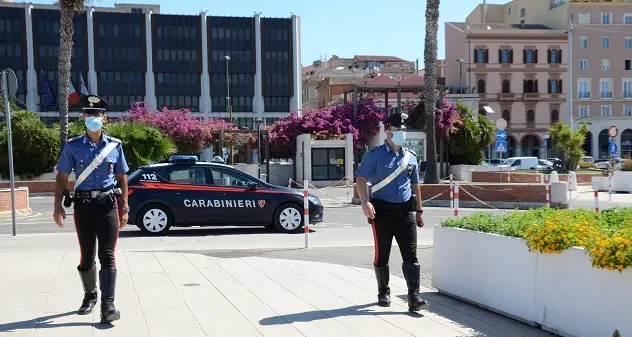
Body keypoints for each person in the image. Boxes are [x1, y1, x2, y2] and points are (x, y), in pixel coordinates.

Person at [52, 94, 130, 323]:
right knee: (87, 256)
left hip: (108, 206)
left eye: (97, 114)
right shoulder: (73, 146)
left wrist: (124, 206)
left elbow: (122, 177)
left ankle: (108, 305)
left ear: (104, 118)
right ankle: (90, 296)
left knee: (108, 255)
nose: (93, 117)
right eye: (89, 113)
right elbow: (62, 178)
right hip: (84, 206)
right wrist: (57, 206)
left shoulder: (115, 146)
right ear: (83, 117)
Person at [354, 112, 427, 312]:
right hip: (382, 213)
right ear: (387, 132)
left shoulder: (411, 158)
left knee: (411, 255)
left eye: (403, 131)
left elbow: (415, 186)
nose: (401, 134)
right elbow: (360, 180)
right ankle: (383, 291)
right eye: (397, 131)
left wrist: (419, 211)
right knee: (382, 255)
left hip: (405, 214)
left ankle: (414, 297)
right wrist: (364, 202)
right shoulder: (374, 155)